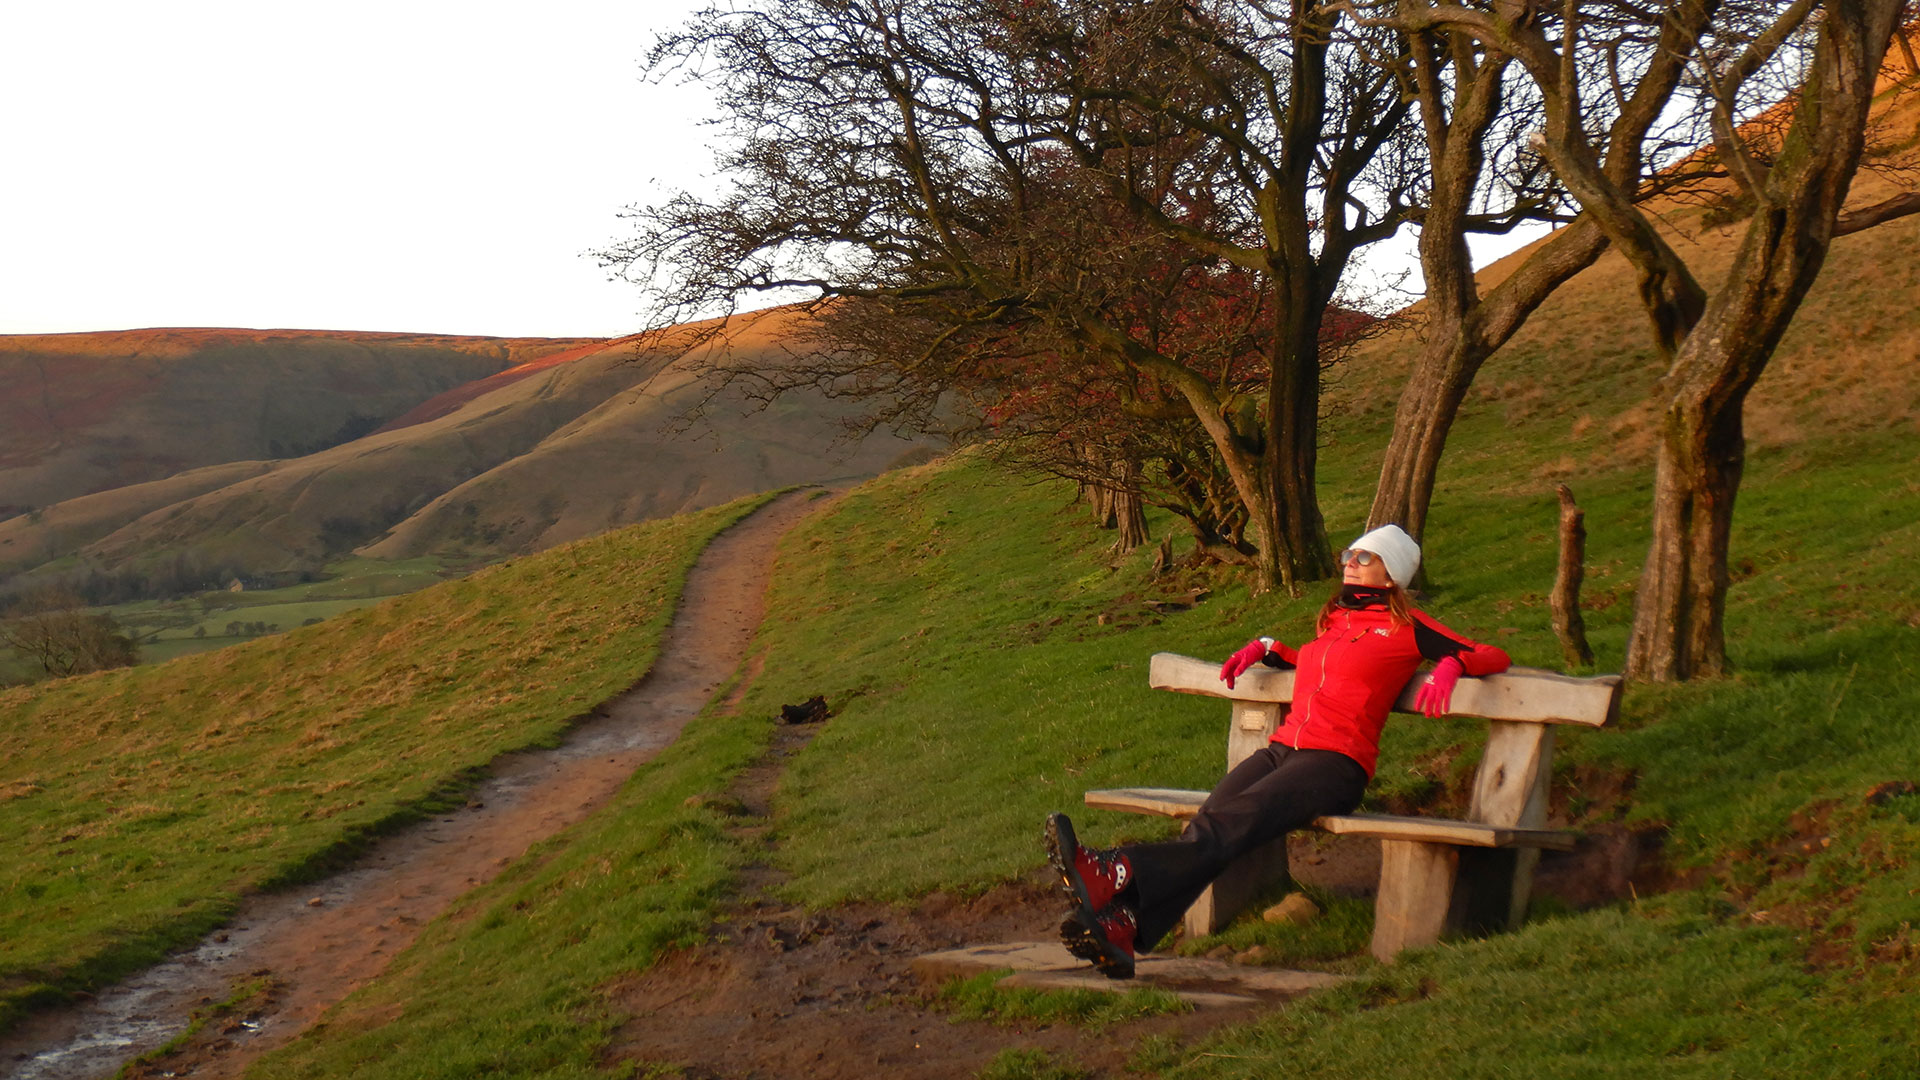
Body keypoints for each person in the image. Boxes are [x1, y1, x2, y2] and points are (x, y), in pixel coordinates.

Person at [1043, 524, 1511, 978]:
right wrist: (1267, 648)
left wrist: (1452, 665)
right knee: (1215, 818)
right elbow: (1315, 666)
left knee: (1228, 824)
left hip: (1335, 763)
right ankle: (1125, 929)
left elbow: (1491, 654)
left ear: (1391, 575)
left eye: (1365, 557)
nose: (1350, 563)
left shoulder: (1406, 625)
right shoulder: (1336, 620)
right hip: (1283, 750)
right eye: (1348, 555)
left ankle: (1116, 871)